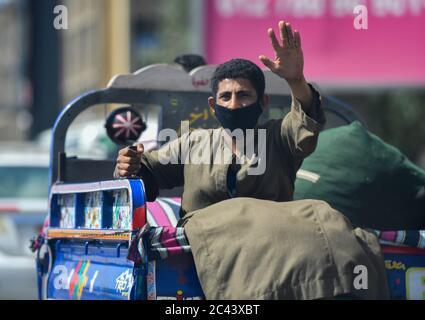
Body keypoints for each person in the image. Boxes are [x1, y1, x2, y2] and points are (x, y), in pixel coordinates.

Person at [114, 21, 389, 300]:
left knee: (324, 217)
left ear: (263, 102)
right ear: (213, 105)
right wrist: (130, 165)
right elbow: (147, 172)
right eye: (226, 96)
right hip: (209, 242)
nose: (234, 104)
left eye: (244, 95)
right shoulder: (194, 142)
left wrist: (296, 80)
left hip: (278, 247)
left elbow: (305, 123)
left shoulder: (279, 137)